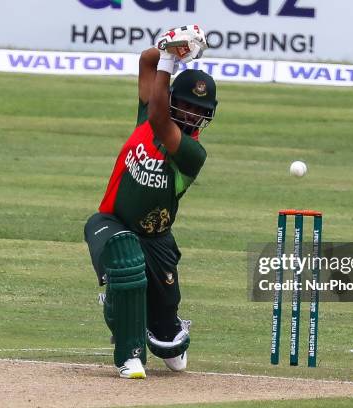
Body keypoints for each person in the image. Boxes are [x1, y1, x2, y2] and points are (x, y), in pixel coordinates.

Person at [83, 25, 218, 379]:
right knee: (126, 261)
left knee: (171, 343)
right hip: (113, 221)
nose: (190, 114)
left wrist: (171, 62)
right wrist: (168, 46)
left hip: (158, 240)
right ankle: (128, 352)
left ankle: (156, 323)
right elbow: (146, 62)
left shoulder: (191, 153)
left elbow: (161, 118)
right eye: (185, 105)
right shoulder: (149, 112)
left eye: (198, 109)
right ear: (172, 98)